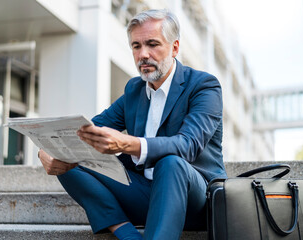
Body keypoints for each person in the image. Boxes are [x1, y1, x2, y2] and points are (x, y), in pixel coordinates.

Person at [38, 9, 227, 240]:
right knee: (69, 158)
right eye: (136, 46)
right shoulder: (134, 90)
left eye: (152, 44)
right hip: (144, 194)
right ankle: (126, 233)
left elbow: (187, 145)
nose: (143, 54)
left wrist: (129, 144)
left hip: (194, 201)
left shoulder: (204, 86)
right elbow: (88, 131)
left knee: (171, 162)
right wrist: (48, 149)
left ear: (175, 47)